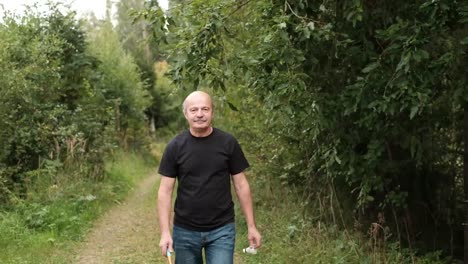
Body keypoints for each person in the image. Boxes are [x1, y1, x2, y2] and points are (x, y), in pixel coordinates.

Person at [157, 91, 262, 264]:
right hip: (184, 231)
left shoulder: (228, 143)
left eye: (205, 109)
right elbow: (165, 191)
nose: (200, 114)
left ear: (212, 112)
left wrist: (252, 227)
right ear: (186, 114)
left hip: (222, 229)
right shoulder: (175, 147)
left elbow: (241, 185)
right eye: (194, 110)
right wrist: (165, 232)